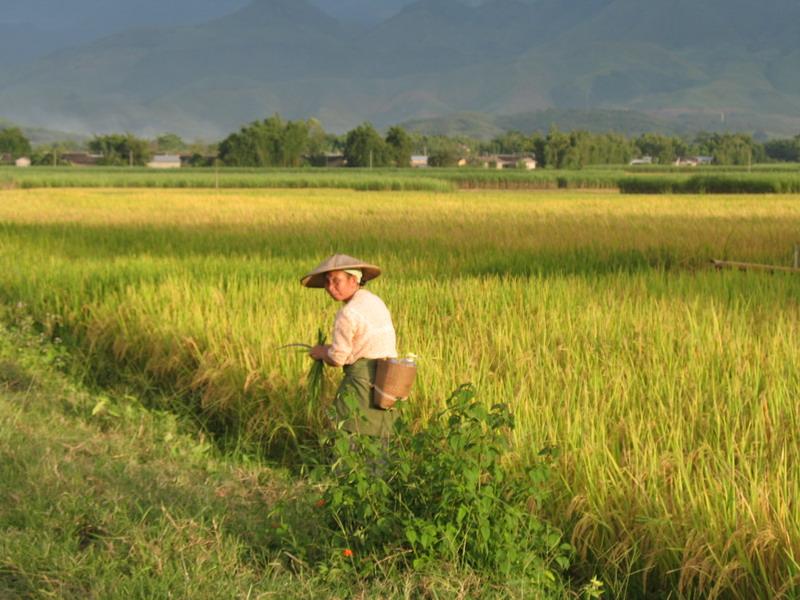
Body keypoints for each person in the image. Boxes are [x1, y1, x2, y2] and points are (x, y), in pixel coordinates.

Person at [301, 254, 398, 437]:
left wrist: (322, 352)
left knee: (350, 433)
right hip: (387, 379)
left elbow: (338, 358)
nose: (330, 287)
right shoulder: (375, 302)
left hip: (361, 381)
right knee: (379, 439)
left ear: (353, 280)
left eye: (336, 281)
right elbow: (362, 342)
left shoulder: (348, 313)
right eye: (327, 282)